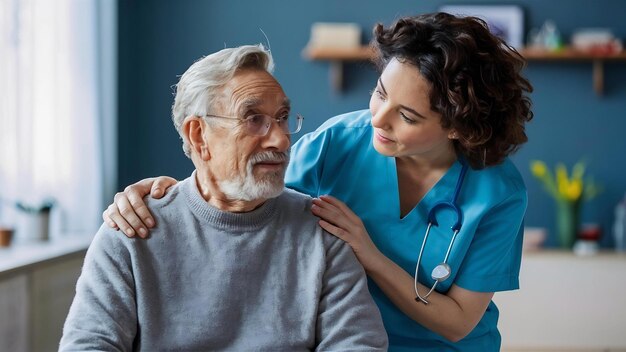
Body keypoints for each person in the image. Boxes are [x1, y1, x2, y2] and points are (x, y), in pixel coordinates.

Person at [104, 12, 533, 351]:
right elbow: (240, 181)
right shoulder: (339, 142)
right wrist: (167, 192)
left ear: (458, 127)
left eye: (407, 115)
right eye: (381, 93)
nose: (377, 120)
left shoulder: (497, 192)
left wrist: (370, 254)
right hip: (334, 337)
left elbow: (458, 322)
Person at [60, 45, 388, 351]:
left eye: (283, 117)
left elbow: (358, 345)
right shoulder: (131, 233)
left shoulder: (323, 233)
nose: (280, 139)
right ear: (198, 135)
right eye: (253, 119)